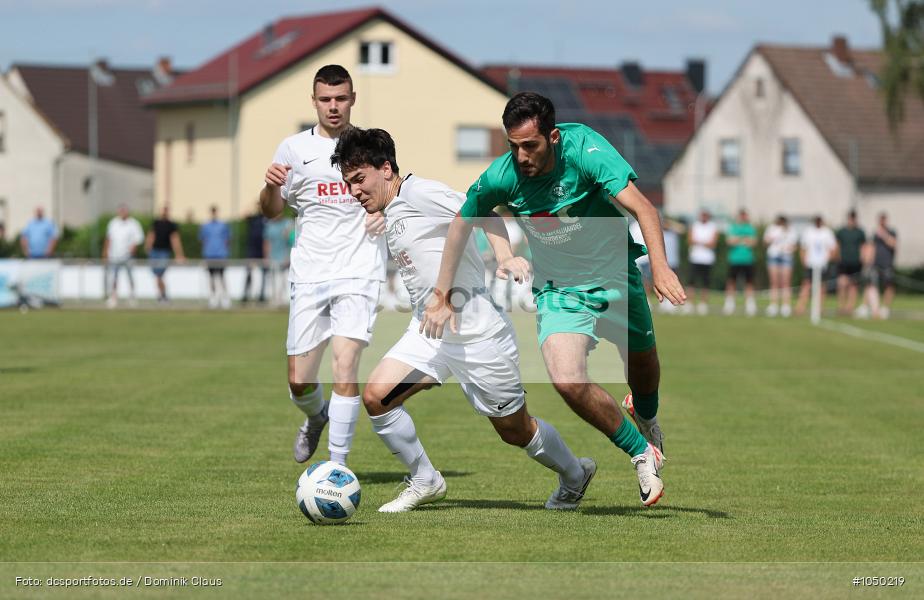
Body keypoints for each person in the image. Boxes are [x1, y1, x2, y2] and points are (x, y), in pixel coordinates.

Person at [424, 92, 682, 506]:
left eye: (531, 145)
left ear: (554, 137)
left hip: (616, 275)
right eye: (513, 146)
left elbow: (645, 209)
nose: (521, 156)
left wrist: (662, 268)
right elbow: (464, 221)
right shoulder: (502, 175)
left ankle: (647, 417)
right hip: (560, 290)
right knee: (565, 379)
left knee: (645, 366)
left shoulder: (585, 149)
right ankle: (640, 452)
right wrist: (442, 294)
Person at [331, 126, 595, 512]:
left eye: (359, 180)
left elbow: (482, 211)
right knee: (376, 396)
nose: (354, 191)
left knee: (514, 430)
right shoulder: (391, 209)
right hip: (430, 331)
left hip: (478, 334)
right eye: (348, 183)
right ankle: (425, 480)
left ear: (385, 169)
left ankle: (574, 473)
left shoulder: (420, 193)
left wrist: (504, 258)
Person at [260, 65, 387, 467]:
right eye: (326, 99)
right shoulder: (293, 149)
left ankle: (337, 467)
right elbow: (271, 212)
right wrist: (268, 187)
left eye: (341, 98)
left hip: (359, 271)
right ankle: (316, 417)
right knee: (300, 380)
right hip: (309, 274)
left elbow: (394, 195)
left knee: (345, 366)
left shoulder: (371, 147)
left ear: (353, 99)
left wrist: (384, 214)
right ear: (313, 101)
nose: (334, 107)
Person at [102, 204, 144, 308]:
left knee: (130, 276)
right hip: (114, 255)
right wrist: (105, 252)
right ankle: (113, 297)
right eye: (121, 211)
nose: (122, 213)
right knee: (114, 277)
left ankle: (132, 296)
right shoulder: (113, 223)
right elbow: (108, 238)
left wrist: (132, 250)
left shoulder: (134, 224)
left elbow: (138, 239)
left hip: (128, 256)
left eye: (124, 211)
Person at [795, 215, 838, 316]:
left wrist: (828, 259)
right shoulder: (808, 231)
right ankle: (800, 307)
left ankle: (820, 307)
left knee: (822, 287)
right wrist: (803, 260)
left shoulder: (827, 232)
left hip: (822, 264)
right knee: (806, 285)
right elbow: (803, 247)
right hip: (811, 263)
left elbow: (833, 247)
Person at [145, 204, 185, 303]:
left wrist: (179, 254)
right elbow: (151, 235)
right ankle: (162, 295)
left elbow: (175, 239)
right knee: (157, 275)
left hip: (164, 252)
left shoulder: (171, 225)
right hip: (155, 252)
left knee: (160, 274)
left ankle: (163, 295)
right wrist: (148, 247)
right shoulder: (156, 223)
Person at [723, 209, 758, 317]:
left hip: (748, 260)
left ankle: (750, 304)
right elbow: (729, 241)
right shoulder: (733, 227)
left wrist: (738, 239)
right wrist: (744, 239)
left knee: (749, 282)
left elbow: (753, 242)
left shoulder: (750, 228)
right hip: (734, 259)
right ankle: (729, 303)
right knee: (731, 281)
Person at [763, 214, 797, 317]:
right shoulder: (772, 228)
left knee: (786, 282)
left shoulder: (791, 230)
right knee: (774, 282)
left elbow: (794, 246)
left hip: (786, 257)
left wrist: (787, 249)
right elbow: (766, 241)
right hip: (774, 256)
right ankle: (773, 305)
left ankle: (785, 306)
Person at [199, 205, 231, 309]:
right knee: (211, 277)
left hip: (221, 254)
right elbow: (203, 240)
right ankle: (213, 298)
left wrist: (224, 251)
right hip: (209, 254)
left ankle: (224, 298)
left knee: (222, 277)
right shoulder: (205, 226)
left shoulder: (223, 225)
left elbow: (227, 240)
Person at [686, 210, 718, 315]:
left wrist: (699, 241)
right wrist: (704, 242)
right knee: (691, 281)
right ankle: (689, 304)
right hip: (695, 258)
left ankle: (703, 304)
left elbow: (713, 243)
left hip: (707, 259)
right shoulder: (695, 225)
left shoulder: (712, 227)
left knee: (705, 283)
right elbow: (690, 240)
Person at [836, 210, 866, 316]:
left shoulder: (860, 232)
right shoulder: (841, 232)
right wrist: (838, 257)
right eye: (850, 218)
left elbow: (863, 246)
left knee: (853, 286)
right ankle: (841, 307)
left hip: (856, 263)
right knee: (842, 284)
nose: (852, 220)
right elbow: (838, 245)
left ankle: (850, 307)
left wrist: (863, 258)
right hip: (844, 263)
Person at [263, 213, 294, 307]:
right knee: (275, 280)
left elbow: (292, 240)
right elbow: (267, 242)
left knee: (285, 281)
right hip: (274, 258)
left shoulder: (288, 223)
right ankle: (276, 301)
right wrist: (266, 257)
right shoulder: (269, 226)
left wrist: (288, 257)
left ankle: (284, 301)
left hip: (286, 258)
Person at [872, 212, 898, 319]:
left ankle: (886, 308)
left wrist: (884, 235)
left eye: (883, 219)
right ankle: (875, 307)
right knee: (873, 285)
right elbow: (872, 247)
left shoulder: (891, 231)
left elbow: (893, 244)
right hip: (876, 263)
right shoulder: (875, 233)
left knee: (888, 285)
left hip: (887, 263)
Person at [241, 206, 268, 304]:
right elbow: (244, 215)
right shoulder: (253, 218)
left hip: (262, 251)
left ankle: (262, 295)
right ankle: (245, 295)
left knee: (264, 275)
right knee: (248, 273)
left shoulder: (266, 218)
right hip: (252, 250)